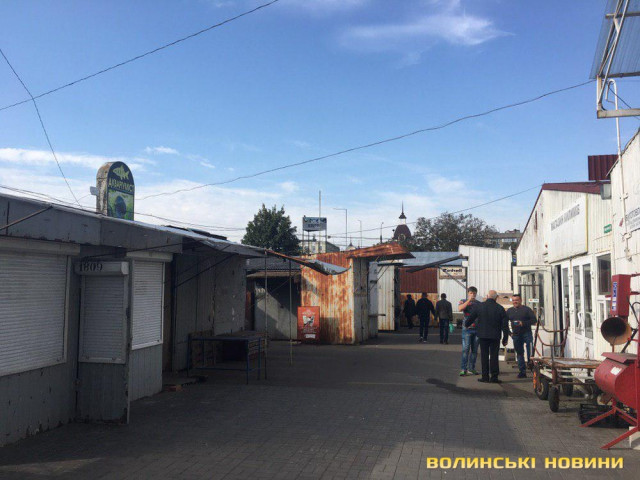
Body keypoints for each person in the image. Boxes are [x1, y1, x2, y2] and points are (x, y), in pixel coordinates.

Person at [466, 290, 510, 383]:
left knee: (484, 356)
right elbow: (505, 325)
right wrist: (505, 338)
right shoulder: (500, 308)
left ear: (487, 296)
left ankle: (485, 377)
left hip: (483, 335)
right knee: (494, 356)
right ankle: (494, 377)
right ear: (496, 297)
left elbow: (471, 317)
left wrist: (466, 324)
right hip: (495, 336)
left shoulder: (479, 306)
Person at [506, 294, 537, 378]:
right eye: (513, 300)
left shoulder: (527, 309)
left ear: (521, 300)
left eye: (516, 300)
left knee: (530, 352)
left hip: (527, 333)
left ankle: (532, 367)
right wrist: (509, 333)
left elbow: (534, 320)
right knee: (519, 353)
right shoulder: (509, 311)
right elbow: (504, 323)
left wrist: (523, 323)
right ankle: (522, 372)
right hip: (516, 335)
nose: (515, 302)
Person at [458, 287, 480, 376]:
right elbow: (460, 309)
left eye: (474, 293)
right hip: (467, 329)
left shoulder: (479, 303)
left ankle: (472, 368)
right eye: (471, 293)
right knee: (465, 349)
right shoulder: (463, 301)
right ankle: (463, 369)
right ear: (468, 293)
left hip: (477, 329)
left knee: (474, 350)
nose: (473, 295)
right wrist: (469, 300)